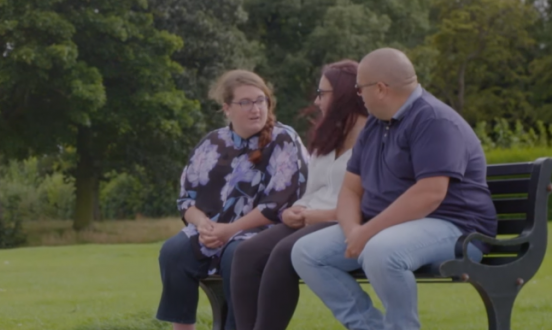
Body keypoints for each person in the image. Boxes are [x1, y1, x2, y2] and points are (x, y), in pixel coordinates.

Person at [291, 48, 498, 330]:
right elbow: (351, 190)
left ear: (380, 88)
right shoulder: (376, 125)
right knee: (306, 252)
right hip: (390, 229)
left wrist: (368, 231)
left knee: (380, 251)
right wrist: (353, 231)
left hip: (457, 228)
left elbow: (430, 194)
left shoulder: (434, 120)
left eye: (359, 88)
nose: (357, 94)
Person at [156, 69, 308, 330]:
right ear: (227, 108)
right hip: (214, 231)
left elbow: (277, 205)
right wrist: (203, 224)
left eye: (261, 100)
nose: (255, 109)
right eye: (245, 102)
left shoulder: (284, 140)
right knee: (173, 252)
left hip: (262, 232)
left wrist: (230, 230)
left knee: (237, 255)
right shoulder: (211, 143)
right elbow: (186, 199)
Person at [230, 60, 368, 330]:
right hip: (308, 217)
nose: (317, 102)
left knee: (283, 253)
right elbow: (313, 189)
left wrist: (322, 215)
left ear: (343, 94)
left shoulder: (374, 138)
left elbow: (374, 200)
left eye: (322, 93)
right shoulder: (330, 137)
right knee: (246, 253)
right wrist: (294, 210)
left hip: (344, 221)